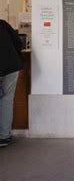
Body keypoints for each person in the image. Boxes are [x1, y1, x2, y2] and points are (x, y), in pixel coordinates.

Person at [0, 20, 23, 148]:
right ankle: (4, 137)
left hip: (8, 66)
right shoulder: (3, 24)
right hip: (10, 66)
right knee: (7, 100)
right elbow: (18, 43)